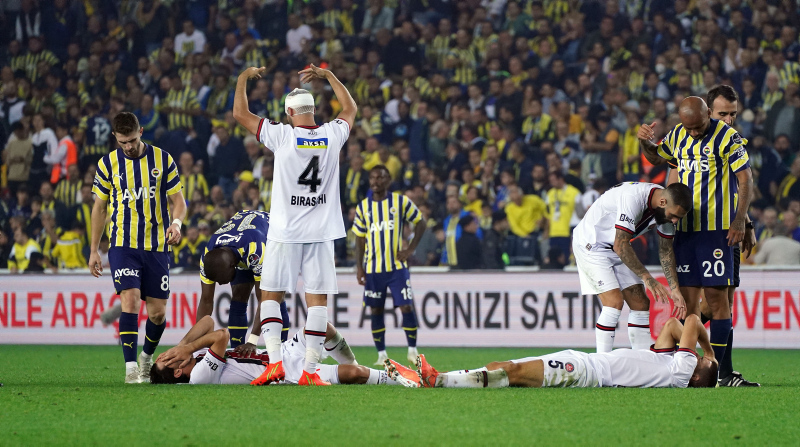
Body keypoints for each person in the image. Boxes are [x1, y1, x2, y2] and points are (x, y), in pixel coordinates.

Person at [232, 64, 356, 386]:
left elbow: (241, 114)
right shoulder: (332, 134)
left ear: (289, 112)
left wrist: (244, 78)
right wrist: (328, 76)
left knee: (271, 296)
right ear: (313, 110)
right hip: (321, 232)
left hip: (285, 231)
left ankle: (275, 364)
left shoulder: (283, 135)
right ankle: (310, 373)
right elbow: (350, 108)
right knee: (317, 302)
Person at [640, 94, 758, 386]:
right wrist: (645, 142)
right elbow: (658, 156)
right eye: (688, 127)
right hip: (685, 230)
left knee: (718, 301)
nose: (692, 132)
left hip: (717, 230)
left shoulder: (727, 137)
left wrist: (741, 219)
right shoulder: (678, 135)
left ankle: (721, 371)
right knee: (688, 306)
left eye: (697, 127)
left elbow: (745, 179)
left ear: (708, 115)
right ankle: (685, 372)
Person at [88, 112, 187, 384]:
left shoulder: (162, 160)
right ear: (115, 138)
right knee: (129, 300)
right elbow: (99, 208)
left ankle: (146, 357)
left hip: (156, 246)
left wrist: (176, 224)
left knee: (157, 313)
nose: (128, 147)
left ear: (141, 131)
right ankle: (131, 368)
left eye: (131, 140)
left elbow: (179, 201)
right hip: (123, 245)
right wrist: (94, 249)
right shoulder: (107, 164)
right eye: (122, 142)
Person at [386, 314, 717, 389]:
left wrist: (710, 353)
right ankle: (434, 377)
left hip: (588, 371)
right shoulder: (670, 363)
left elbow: (690, 320)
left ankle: (437, 381)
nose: (695, 355)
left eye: (699, 360)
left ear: (697, 370)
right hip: (584, 361)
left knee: (511, 374)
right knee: (499, 365)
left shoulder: (682, 370)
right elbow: (674, 325)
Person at [573, 181, 690, 352]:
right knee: (613, 302)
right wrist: (647, 278)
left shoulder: (663, 210)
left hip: (615, 247)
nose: (674, 221)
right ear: (663, 202)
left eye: (678, 218)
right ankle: (602, 368)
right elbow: (620, 245)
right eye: (673, 216)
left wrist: (675, 289)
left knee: (641, 303)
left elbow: (665, 251)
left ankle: (641, 362)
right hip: (592, 244)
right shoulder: (634, 198)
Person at [152, 316, 400, 386]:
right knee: (354, 374)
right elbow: (221, 335)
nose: (167, 355)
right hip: (284, 372)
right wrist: (191, 348)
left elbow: (206, 320)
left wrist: (183, 346)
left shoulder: (191, 357)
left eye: (164, 355)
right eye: (167, 360)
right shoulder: (198, 377)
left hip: (279, 352)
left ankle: (355, 364)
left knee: (321, 326)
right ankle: (403, 379)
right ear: (176, 374)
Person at [353, 165, 426, 365]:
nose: (376, 181)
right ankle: (381, 355)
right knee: (375, 310)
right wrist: (359, 267)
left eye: (380, 177)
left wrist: (410, 249)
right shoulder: (363, 207)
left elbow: (421, 222)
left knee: (406, 307)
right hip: (373, 269)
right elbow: (359, 239)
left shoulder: (400, 202)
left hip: (397, 268)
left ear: (388, 180)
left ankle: (412, 350)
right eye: (373, 178)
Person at [197, 210, 291, 349]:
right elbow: (206, 300)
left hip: (275, 239)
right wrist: (196, 344)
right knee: (239, 294)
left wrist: (252, 341)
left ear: (232, 266)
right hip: (242, 242)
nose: (222, 283)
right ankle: (238, 352)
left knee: (275, 297)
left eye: (222, 279)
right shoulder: (207, 256)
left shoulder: (256, 249)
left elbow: (264, 300)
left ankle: (282, 350)